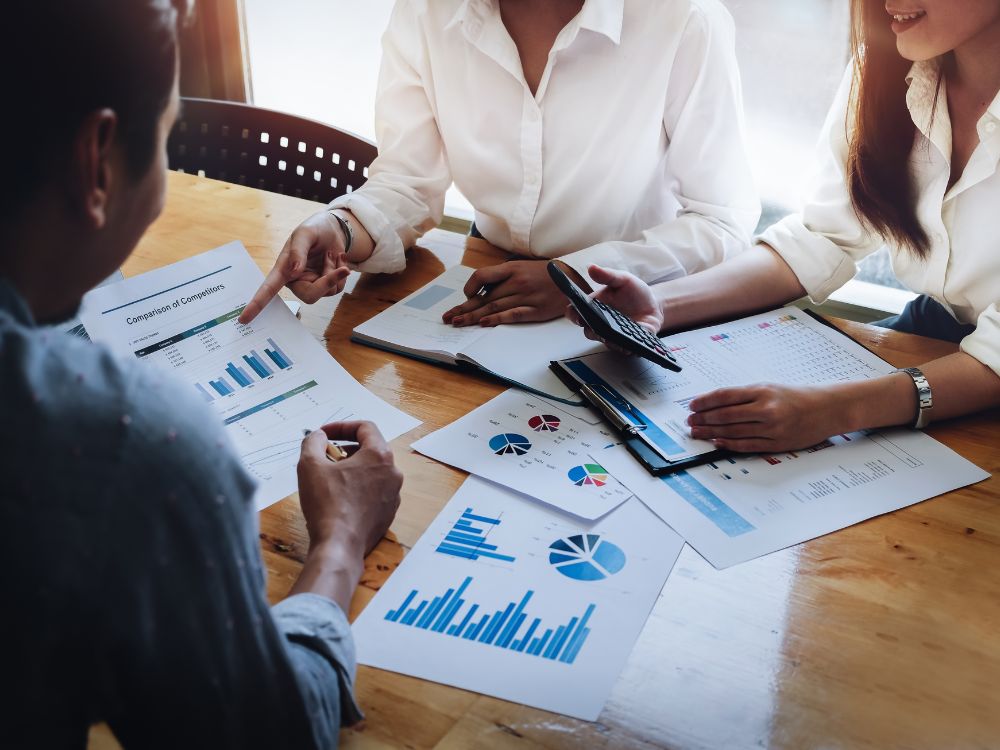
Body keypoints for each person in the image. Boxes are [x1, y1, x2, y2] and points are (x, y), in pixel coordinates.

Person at [0, 1, 403, 747]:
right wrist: (340, 543)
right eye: (165, 138)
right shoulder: (122, 445)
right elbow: (267, 732)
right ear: (98, 160)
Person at [568, 0, 1000, 453]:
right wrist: (661, 303)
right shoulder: (889, 68)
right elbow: (822, 236)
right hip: (939, 327)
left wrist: (837, 409)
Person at [239, 0, 760, 328]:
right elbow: (408, 182)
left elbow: (722, 219)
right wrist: (341, 228)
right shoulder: (426, 12)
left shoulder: (684, 18)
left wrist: (570, 278)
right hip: (486, 286)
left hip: (640, 305)